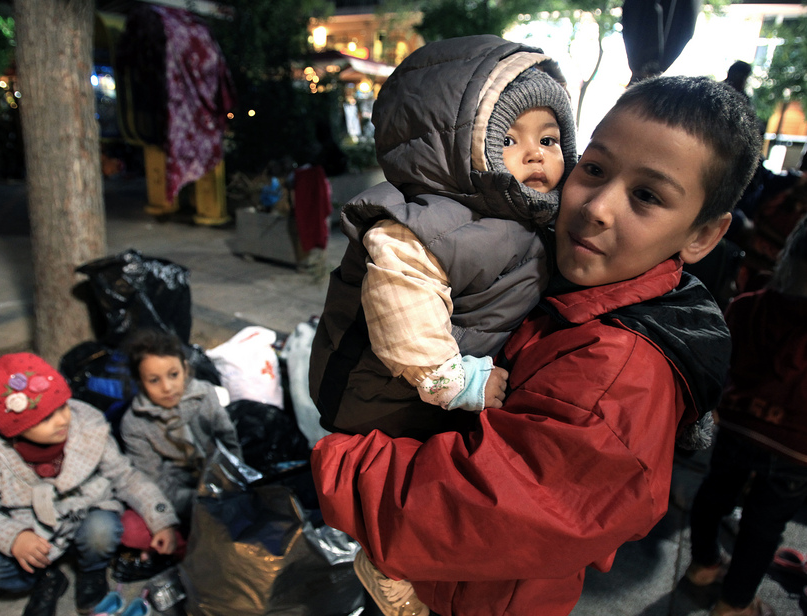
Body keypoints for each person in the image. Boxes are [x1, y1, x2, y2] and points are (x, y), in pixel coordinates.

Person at [311, 73, 763, 616]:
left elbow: (480, 510)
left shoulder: (614, 374)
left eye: (646, 196)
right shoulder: (567, 284)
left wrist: (341, 462)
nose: (597, 206)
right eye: (593, 169)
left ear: (702, 235)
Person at [310, 35, 577, 442]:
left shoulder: (535, 216)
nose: (535, 154)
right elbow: (401, 307)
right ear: (452, 149)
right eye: (507, 140)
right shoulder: (431, 223)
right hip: (387, 400)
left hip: (445, 402)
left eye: (548, 140)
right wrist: (453, 380)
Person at [0, 352, 179, 616]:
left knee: (102, 529)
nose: (62, 419)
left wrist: (162, 518)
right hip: (32, 534)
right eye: (45, 418)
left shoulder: (88, 427)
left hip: (84, 519)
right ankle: (45, 578)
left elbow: (126, 477)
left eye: (63, 406)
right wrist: (13, 538)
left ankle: (91, 572)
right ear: (12, 429)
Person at [684, 213, 807, 616]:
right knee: (763, 529)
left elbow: (724, 363)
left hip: (737, 425)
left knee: (713, 497)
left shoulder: (749, 305)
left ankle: (703, 567)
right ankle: (734, 604)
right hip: (796, 448)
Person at [121, 328, 243, 533]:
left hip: (222, 482)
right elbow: (153, 480)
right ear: (140, 383)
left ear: (185, 370)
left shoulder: (205, 395)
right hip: (177, 497)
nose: (167, 387)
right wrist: (199, 501)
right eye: (154, 380)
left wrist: (233, 484)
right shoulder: (134, 423)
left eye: (173, 375)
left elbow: (229, 442)